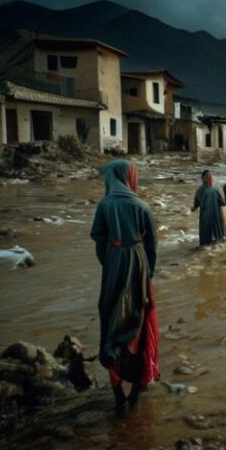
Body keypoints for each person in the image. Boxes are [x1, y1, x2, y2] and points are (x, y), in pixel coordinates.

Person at [90, 160, 159, 414]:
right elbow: (152, 247)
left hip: (113, 262)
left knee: (110, 317)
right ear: (130, 177)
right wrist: (146, 273)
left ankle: (117, 390)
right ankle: (136, 391)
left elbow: (99, 239)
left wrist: (109, 263)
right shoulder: (141, 206)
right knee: (139, 318)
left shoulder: (105, 205)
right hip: (138, 263)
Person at [192, 170, 226, 246]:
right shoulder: (217, 188)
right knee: (219, 238)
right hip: (216, 216)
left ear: (202, 180)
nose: (211, 178)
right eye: (209, 176)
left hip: (205, 219)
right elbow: (224, 202)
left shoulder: (199, 191)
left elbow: (195, 206)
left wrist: (192, 208)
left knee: (206, 241)